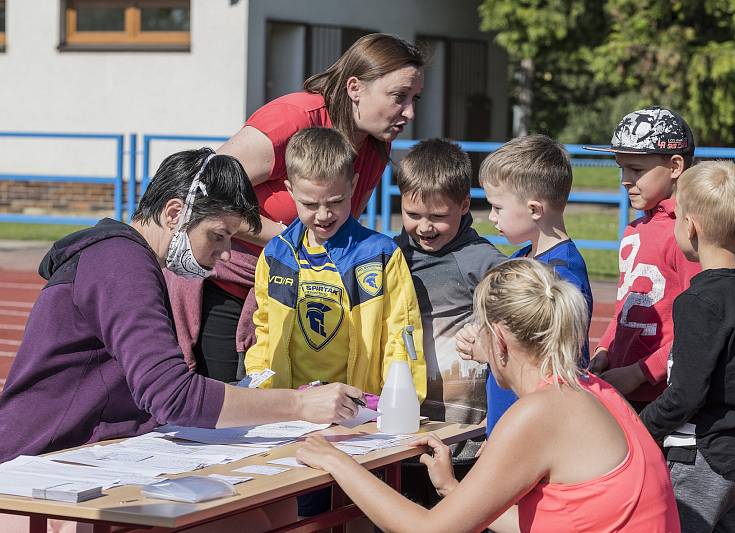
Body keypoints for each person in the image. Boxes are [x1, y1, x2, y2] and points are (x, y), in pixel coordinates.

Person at [0, 148, 363, 465]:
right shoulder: (120, 262)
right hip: (39, 460)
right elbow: (172, 395)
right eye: (218, 236)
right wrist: (298, 406)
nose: (224, 254)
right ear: (175, 213)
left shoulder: (121, 258)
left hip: (75, 451)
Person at [297, 259, 680, 533]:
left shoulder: (540, 413)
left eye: (478, 329)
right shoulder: (593, 390)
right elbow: (549, 522)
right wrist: (453, 489)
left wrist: (337, 460)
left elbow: (427, 528)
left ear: (499, 339)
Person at [168, 33, 426, 383]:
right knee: (232, 405)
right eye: (399, 97)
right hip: (226, 284)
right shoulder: (293, 118)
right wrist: (287, 241)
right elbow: (201, 191)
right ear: (355, 88)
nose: (410, 112)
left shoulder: (374, 147)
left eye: (415, 98)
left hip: (301, 291)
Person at [242, 126, 426, 520]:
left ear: (354, 184)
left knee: (355, 512)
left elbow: (402, 332)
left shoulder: (378, 254)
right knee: (298, 513)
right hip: (291, 416)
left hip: (361, 416)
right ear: (289, 189)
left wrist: (403, 402)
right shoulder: (278, 253)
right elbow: (263, 328)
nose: (323, 215)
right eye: (310, 203)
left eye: (336, 202)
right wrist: (261, 387)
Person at [639, 161, 735, 532]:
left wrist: (639, 428)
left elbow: (685, 394)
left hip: (705, 456)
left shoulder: (698, 301)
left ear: (691, 226)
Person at [455, 135, 593, 438]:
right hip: (511, 426)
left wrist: (486, 351)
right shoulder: (521, 258)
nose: (491, 217)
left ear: (534, 209)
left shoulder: (561, 275)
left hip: (537, 432)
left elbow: (550, 361)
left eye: (497, 207)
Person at [393, 138, 506, 505]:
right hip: (405, 424)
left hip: (463, 432)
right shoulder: (389, 255)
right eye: (413, 214)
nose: (425, 227)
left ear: (464, 205)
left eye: (438, 217)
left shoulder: (481, 261)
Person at [585, 106, 702, 409]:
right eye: (621, 168)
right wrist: (604, 350)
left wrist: (641, 373)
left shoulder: (688, 234)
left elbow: (700, 326)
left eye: (636, 170)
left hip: (663, 397)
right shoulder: (634, 230)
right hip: (625, 387)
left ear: (675, 165)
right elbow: (625, 306)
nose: (625, 179)